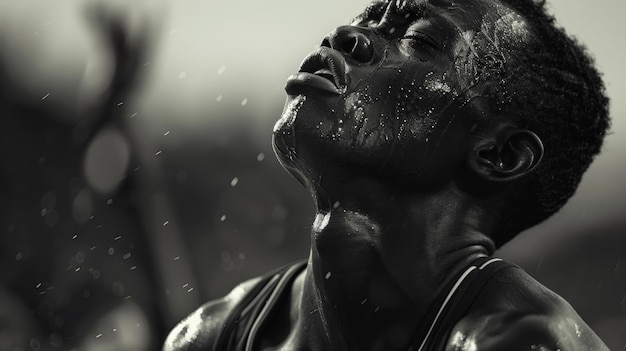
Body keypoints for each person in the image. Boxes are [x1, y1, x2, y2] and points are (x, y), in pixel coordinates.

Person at [163, 0, 611, 349]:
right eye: (368, 20)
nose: (346, 36)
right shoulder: (212, 335)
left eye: (419, 41)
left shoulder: (522, 342)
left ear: (499, 154)